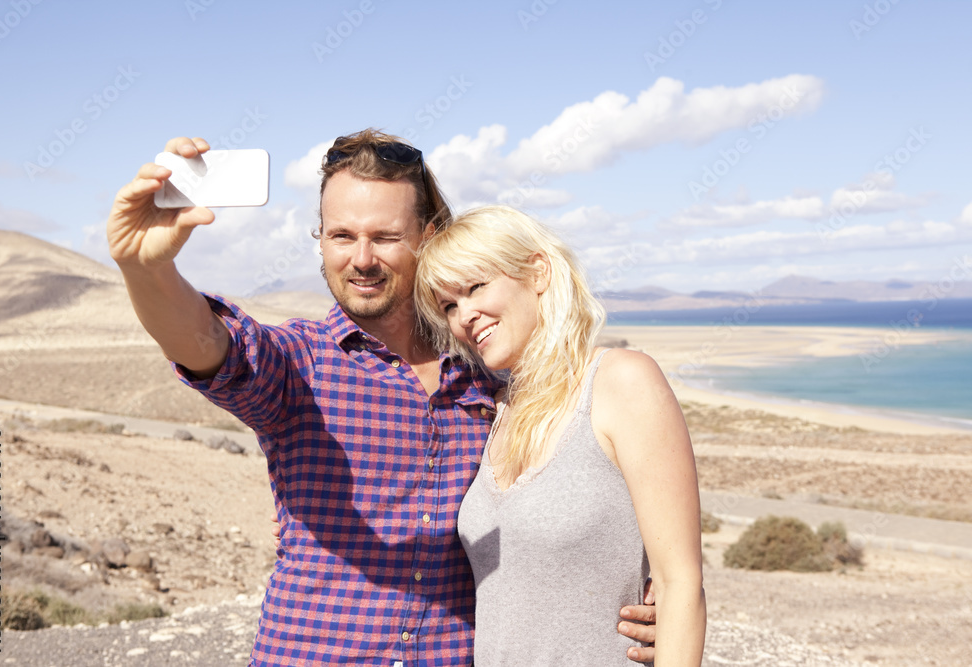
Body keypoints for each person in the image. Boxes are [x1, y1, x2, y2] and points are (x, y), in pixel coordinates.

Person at [106, 130, 657, 666]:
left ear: (430, 235)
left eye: (386, 238)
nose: (362, 259)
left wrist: (649, 591)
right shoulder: (301, 364)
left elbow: (580, 499)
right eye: (341, 236)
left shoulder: (494, 378)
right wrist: (145, 267)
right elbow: (204, 341)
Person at [413, 205, 706, 665]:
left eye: (475, 287)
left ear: (538, 272)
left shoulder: (621, 381)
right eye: (450, 305)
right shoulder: (498, 410)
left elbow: (680, 583)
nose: (465, 314)